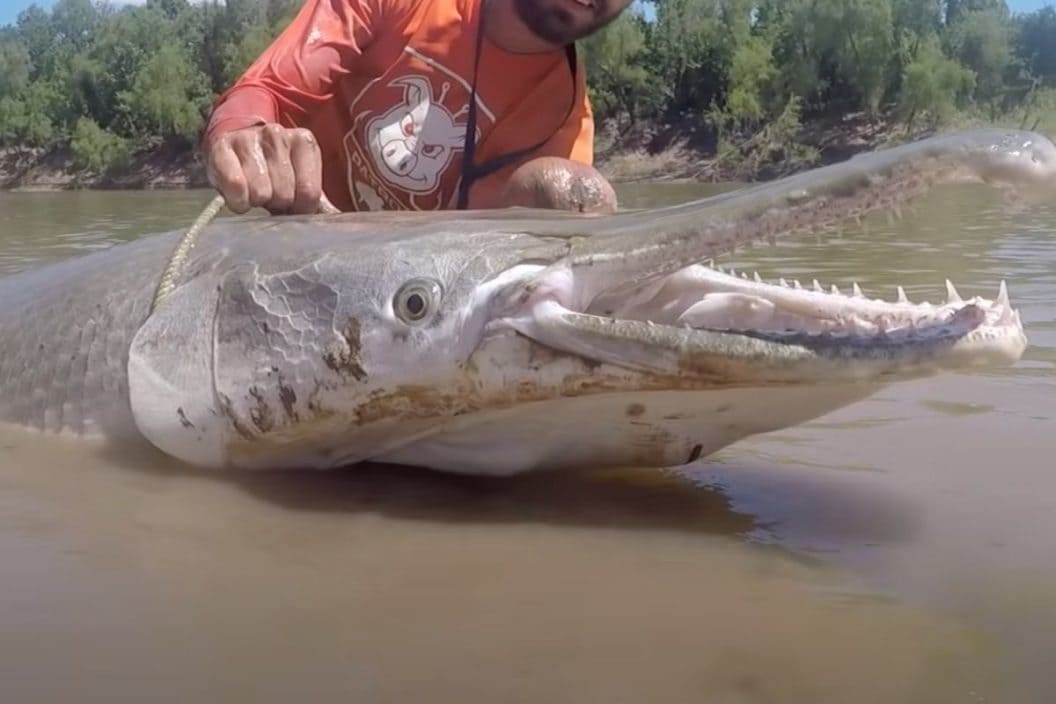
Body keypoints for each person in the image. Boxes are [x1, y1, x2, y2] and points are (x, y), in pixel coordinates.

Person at [200, 0, 631, 216]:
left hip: (408, 307)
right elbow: (266, 92)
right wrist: (242, 133)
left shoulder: (563, 120)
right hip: (293, 247)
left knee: (569, 193)